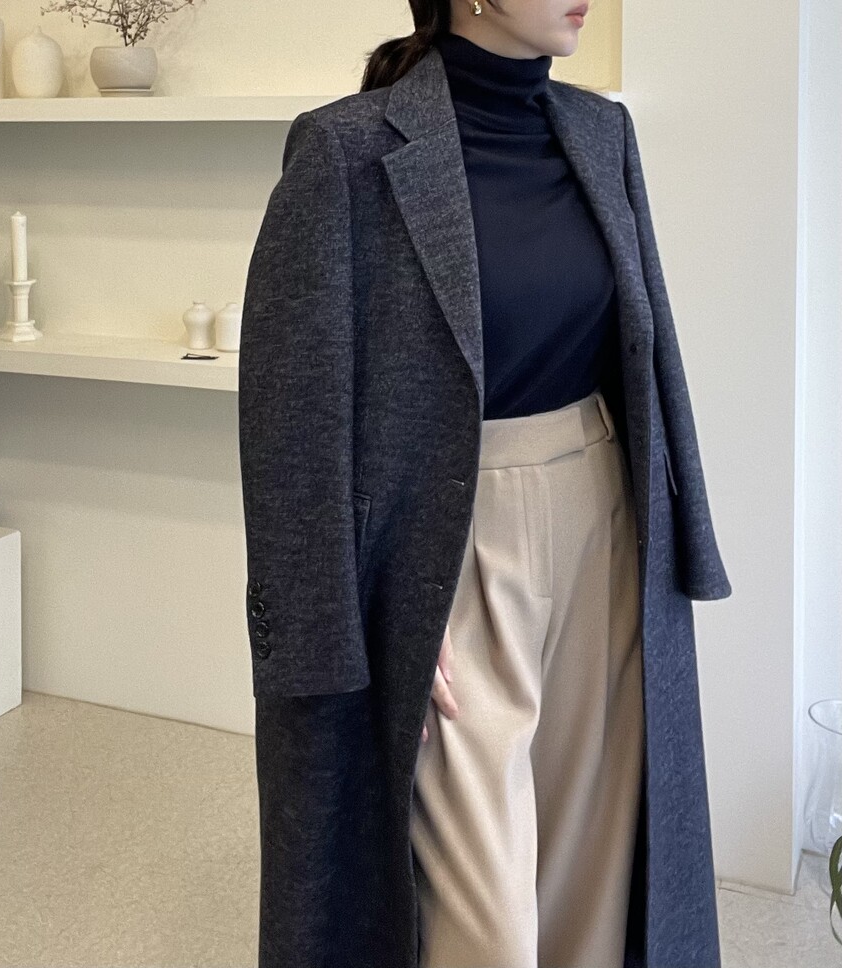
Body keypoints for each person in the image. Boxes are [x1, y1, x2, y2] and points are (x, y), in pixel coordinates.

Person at [238, 2, 731, 966]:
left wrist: (678, 546)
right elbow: (290, 417)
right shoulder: (344, 150)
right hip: (445, 546)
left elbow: (646, 354)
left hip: (603, 523)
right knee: (485, 930)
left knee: (593, 892)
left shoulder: (601, 131)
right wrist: (356, 617)